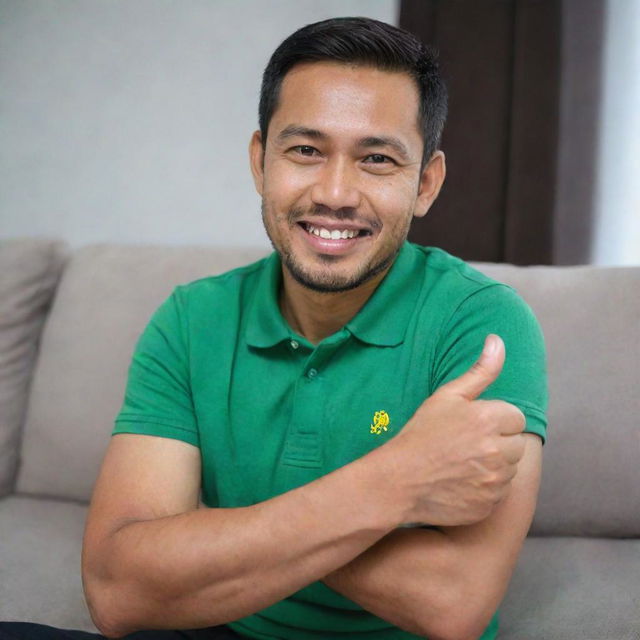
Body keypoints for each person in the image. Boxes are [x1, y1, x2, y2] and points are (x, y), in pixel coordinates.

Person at [1, 16, 547, 640]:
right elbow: (118, 590)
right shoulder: (191, 319)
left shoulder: (483, 325)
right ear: (261, 162)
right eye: (306, 150)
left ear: (425, 183)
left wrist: (220, 526)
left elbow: (453, 604)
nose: (336, 193)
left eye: (377, 159)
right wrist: (396, 482)